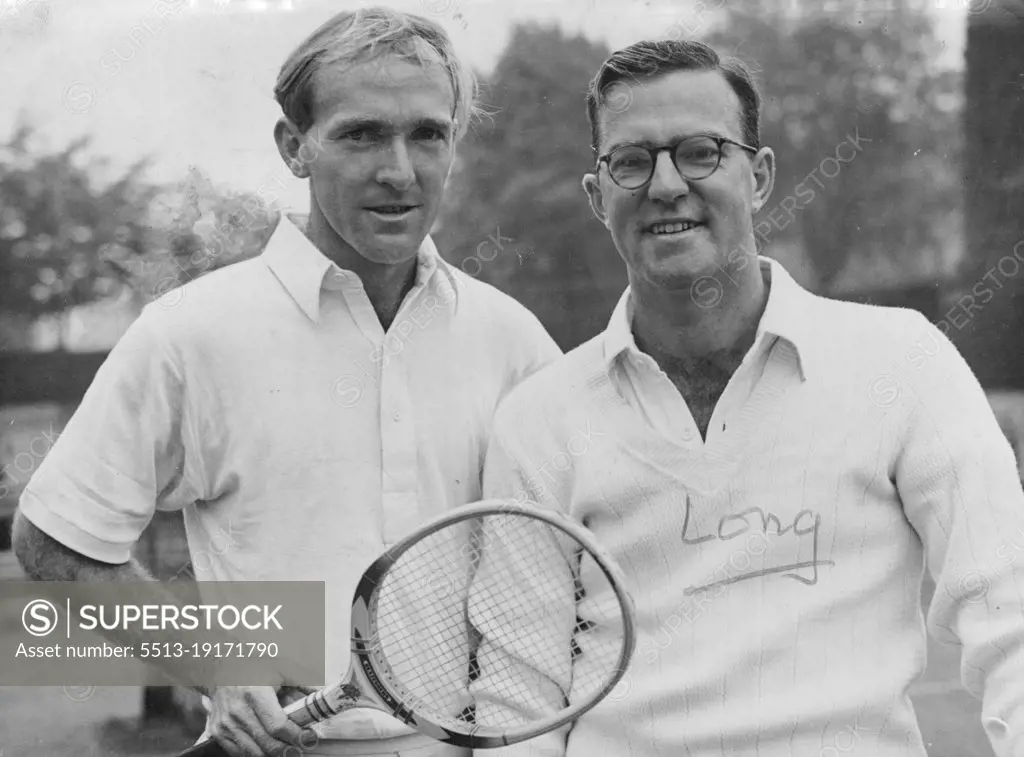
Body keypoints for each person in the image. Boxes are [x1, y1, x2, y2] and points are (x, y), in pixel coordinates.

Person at [12, 7, 561, 757]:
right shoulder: (191, 331)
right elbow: (53, 541)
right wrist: (221, 667)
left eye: (428, 133)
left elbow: (556, 577)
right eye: (361, 133)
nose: (399, 169)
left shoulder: (514, 339)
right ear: (293, 147)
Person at [475, 39, 1024, 757]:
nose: (666, 184)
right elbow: (519, 706)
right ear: (596, 192)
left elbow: (1007, 609)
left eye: (701, 151)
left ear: (760, 175)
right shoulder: (537, 418)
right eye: (632, 161)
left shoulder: (904, 360)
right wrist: (273, 645)